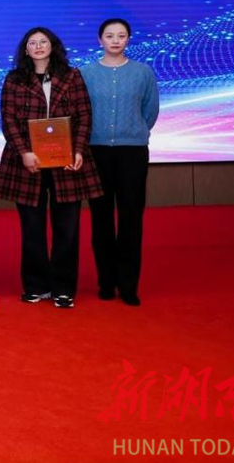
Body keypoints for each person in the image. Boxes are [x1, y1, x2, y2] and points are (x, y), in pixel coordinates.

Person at [0, 27, 102, 309]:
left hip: (66, 163)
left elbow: (84, 115)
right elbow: (8, 119)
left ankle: (63, 288)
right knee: (32, 228)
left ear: (53, 46)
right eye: (33, 43)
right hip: (27, 163)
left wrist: (77, 150)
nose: (39, 46)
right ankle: (36, 286)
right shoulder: (15, 79)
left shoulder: (72, 76)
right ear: (25, 49)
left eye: (43, 42)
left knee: (67, 229)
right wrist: (24, 152)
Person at [80, 18, 159, 306]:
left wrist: (134, 131)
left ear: (128, 39)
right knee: (100, 218)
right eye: (109, 35)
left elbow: (150, 110)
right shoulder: (85, 73)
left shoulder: (142, 72)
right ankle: (106, 281)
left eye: (121, 35)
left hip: (132, 152)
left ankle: (128, 285)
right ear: (99, 39)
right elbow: (80, 111)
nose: (115, 40)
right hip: (96, 151)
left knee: (131, 218)